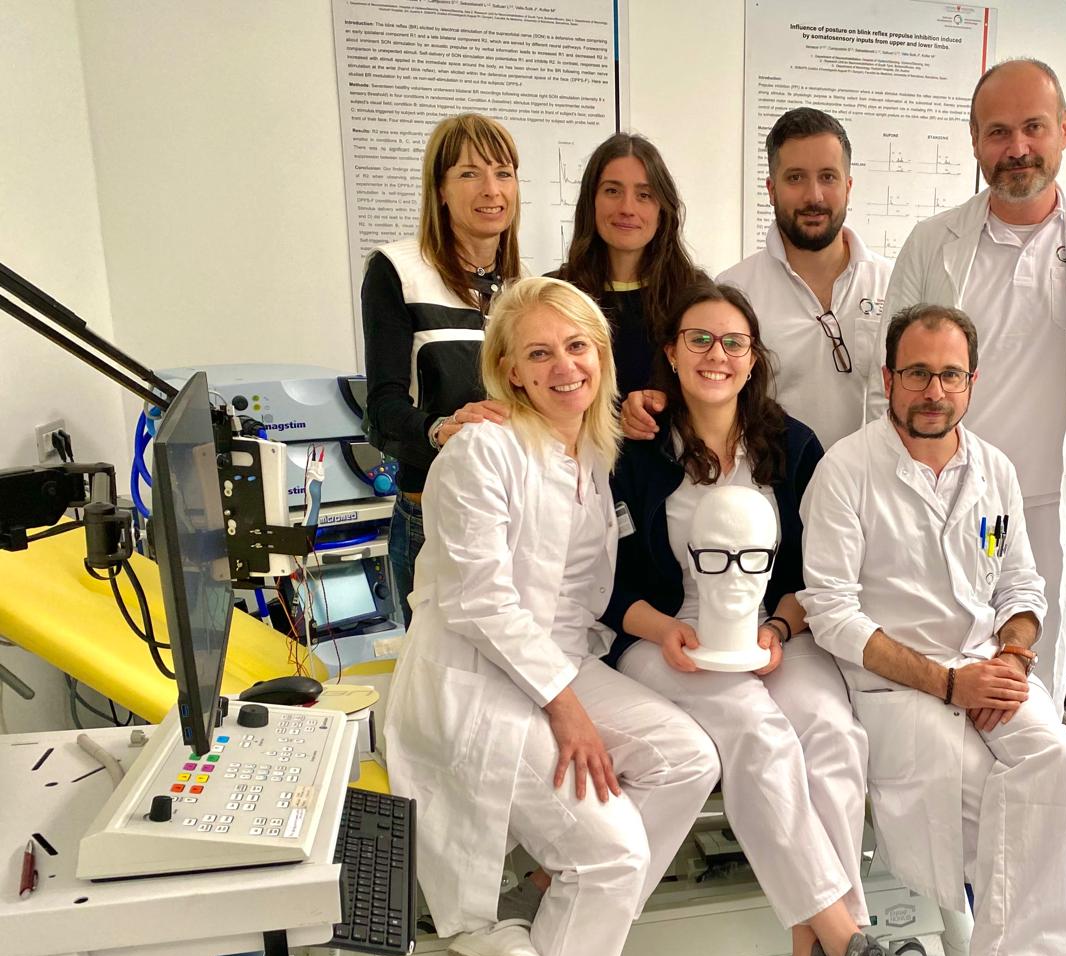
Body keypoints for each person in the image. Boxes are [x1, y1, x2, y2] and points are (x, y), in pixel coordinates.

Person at [384, 276, 720, 956]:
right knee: (615, 853)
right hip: (475, 678)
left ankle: (544, 901)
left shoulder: (590, 456)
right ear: (510, 370)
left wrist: (645, 642)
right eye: (539, 353)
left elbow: (575, 604)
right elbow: (479, 603)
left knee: (686, 759)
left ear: (601, 356)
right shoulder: (483, 451)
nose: (565, 366)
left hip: (556, 663)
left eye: (577, 347)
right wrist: (567, 711)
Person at [604, 280, 957, 956]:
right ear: (671, 353)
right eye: (699, 339)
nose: (717, 354)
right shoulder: (633, 453)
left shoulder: (793, 447)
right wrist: (665, 632)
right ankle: (849, 946)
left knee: (831, 730)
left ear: (754, 357)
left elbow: (814, 573)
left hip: (773, 630)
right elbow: (610, 589)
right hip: (666, 638)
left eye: (733, 341)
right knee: (760, 734)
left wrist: (780, 628)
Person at [801, 303, 1066, 956]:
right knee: (995, 813)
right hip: (897, 686)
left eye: (951, 374)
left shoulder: (993, 469)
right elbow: (834, 615)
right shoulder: (847, 471)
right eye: (918, 373)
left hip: (988, 669)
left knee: (1055, 769)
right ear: (888, 379)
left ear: (973, 381)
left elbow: (1022, 586)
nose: (934, 391)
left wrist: (1014, 655)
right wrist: (948, 682)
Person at [884, 58, 1066, 705]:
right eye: (998, 132)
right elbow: (890, 383)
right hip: (954, 496)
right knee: (949, 653)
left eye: (1033, 127)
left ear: (1064, 129)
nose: (1017, 148)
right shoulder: (933, 244)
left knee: (1041, 663)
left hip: (1056, 502)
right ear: (975, 141)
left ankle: (1039, 761)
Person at [621, 107, 889, 451]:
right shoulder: (735, 291)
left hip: (868, 481)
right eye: (795, 178)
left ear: (848, 187)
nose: (814, 196)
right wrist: (649, 402)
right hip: (772, 479)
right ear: (771, 189)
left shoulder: (892, 284)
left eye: (828, 177)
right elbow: (701, 395)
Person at [361, 112, 525, 625]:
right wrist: (439, 429)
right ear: (440, 190)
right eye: (470, 173)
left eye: (503, 173)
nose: (491, 189)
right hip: (431, 515)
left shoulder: (523, 287)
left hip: (514, 517)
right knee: (437, 669)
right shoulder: (398, 270)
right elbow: (382, 409)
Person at [553, 132, 707, 417]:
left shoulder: (695, 294)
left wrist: (663, 401)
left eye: (644, 195)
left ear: (663, 209)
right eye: (612, 191)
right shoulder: (556, 293)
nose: (627, 208)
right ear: (591, 200)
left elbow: (716, 388)